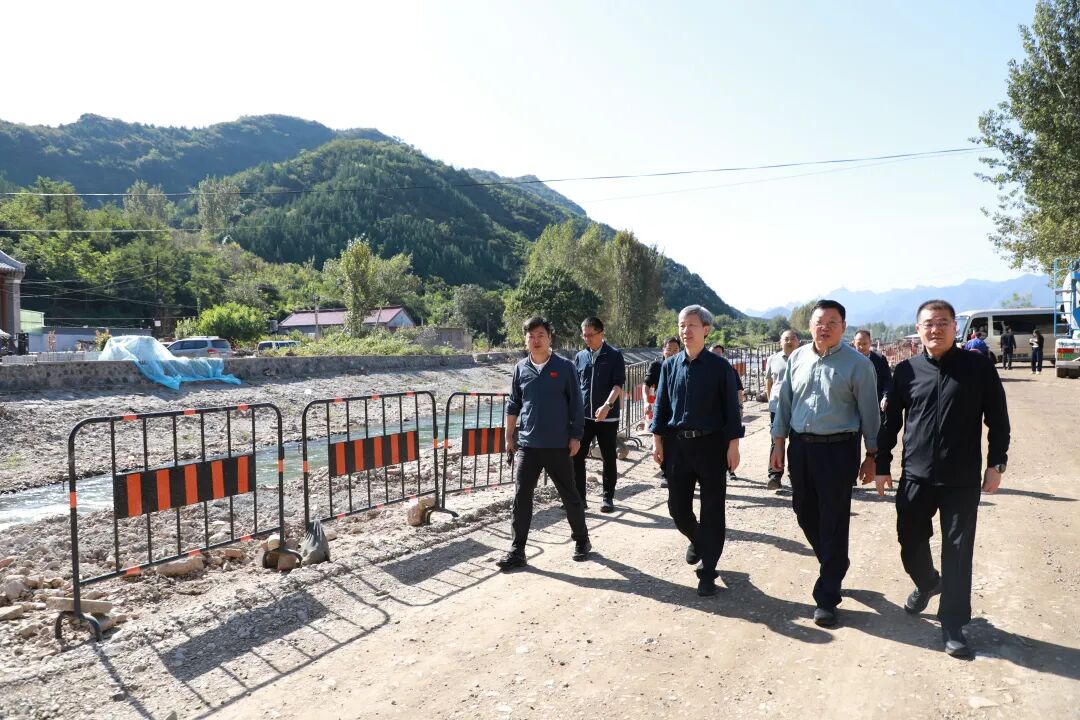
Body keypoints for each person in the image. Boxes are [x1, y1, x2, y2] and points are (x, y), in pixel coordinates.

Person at [875, 299, 1010, 658]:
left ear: (955, 327)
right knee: (909, 540)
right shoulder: (906, 371)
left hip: (961, 478)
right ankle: (926, 582)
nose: (935, 329)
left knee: (958, 550)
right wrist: (882, 464)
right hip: (916, 475)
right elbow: (891, 423)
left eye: (943, 323)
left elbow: (998, 418)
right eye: (928, 324)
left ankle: (953, 623)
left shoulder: (978, 368)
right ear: (918, 330)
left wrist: (996, 463)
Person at [770, 300, 880, 627]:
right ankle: (836, 562)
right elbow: (785, 404)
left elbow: (870, 414)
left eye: (832, 322)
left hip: (839, 450)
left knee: (833, 519)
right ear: (810, 326)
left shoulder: (859, 365)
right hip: (801, 448)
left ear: (843, 327)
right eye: (819, 321)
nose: (825, 327)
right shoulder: (798, 358)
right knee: (804, 511)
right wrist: (778, 445)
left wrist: (872, 455)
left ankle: (827, 596)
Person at [650, 306, 744, 597]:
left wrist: (734, 446)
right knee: (677, 508)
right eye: (681, 325)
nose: (685, 331)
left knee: (712, 509)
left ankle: (708, 572)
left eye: (691, 325)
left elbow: (732, 410)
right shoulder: (670, 366)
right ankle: (699, 539)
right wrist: (657, 440)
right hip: (677, 445)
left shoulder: (720, 368)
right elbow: (661, 405)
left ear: (706, 329)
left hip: (712, 446)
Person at [497, 316, 591, 570]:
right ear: (525, 340)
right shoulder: (520, 368)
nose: (536, 340)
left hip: (558, 444)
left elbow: (576, 404)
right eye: (531, 336)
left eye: (541, 335)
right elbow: (514, 404)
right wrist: (508, 436)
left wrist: (576, 436)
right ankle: (517, 550)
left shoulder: (565, 367)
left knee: (569, 495)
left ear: (550, 338)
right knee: (521, 496)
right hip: (528, 445)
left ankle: (582, 540)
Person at [573, 317, 626, 513]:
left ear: (601, 333)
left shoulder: (614, 355)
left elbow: (618, 385)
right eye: (584, 335)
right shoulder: (580, 357)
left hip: (607, 418)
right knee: (576, 456)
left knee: (608, 457)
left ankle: (607, 498)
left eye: (591, 335)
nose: (587, 339)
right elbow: (576, 385)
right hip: (584, 417)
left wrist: (607, 406)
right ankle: (579, 499)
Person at [764, 329, 799, 492]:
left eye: (792, 338)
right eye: (786, 339)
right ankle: (775, 475)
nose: (789, 341)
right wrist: (770, 400)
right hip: (776, 406)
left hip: (797, 405)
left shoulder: (803, 358)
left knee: (796, 441)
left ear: (798, 342)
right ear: (780, 342)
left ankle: (795, 475)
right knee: (776, 440)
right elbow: (769, 382)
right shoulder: (773, 359)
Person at [644, 337, 681, 488]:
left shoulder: (684, 364)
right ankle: (665, 473)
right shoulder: (657, 365)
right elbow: (646, 385)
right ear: (663, 350)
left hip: (679, 407)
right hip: (663, 407)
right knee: (663, 439)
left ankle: (681, 472)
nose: (672, 353)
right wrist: (647, 402)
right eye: (669, 349)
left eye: (675, 350)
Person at [710, 344, 745, 481]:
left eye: (718, 353)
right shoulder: (704, 370)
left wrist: (740, 407)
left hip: (728, 411)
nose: (716, 355)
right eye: (713, 352)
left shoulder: (730, 369)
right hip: (711, 413)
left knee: (730, 440)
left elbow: (739, 390)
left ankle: (731, 470)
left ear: (723, 354)